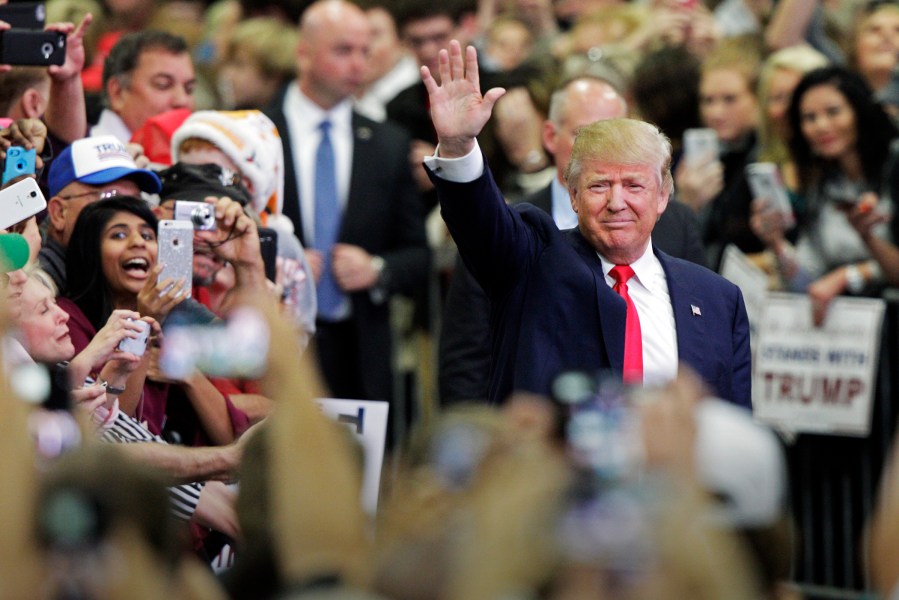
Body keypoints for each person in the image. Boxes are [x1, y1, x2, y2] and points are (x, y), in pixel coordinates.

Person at [424, 41, 751, 407]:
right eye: (599, 185)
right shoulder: (534, 262)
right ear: (574, 195)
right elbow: (482, 225)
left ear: (662, 197)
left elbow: (733, 424)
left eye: (633, 185)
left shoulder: (718, 298)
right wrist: (457, 146)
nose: (616, 202)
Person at [263, 0, 429, 404]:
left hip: (359, 348)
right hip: (272, 343)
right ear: (303, 53)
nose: (359, 64)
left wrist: (376, 268)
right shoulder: (256, 131)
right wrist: (279, 257)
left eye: (365, 52)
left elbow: (417, 254)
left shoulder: (388, 143)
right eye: (343, 50)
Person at [751, 66, 899, 324]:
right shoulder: (824, 186)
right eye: (809, 118)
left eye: (833, 112)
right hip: (853, 335)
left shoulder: (895, 166)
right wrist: (776, 244)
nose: (821, 126)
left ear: (859, 111)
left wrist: (849, 275)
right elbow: (807, 282)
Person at [39, 134, 163, 294]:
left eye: (136, 201)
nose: (128, 213)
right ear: (59, 213)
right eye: (110, 197)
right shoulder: (37, 288)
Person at [91, 30, 196, 143]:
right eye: (163, 85)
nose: (182, 101)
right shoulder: (89, 157)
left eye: (189, 89)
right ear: (118, 92)